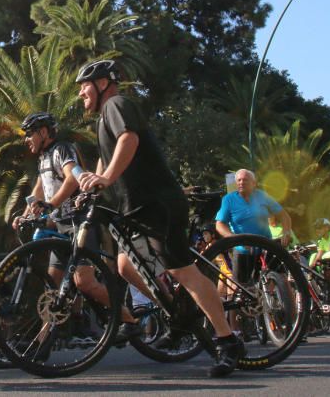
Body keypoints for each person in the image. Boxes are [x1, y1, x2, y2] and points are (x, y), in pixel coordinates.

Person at [74, 59, 244, 378]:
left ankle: (227, 340)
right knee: (126, 266)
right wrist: (90, 185)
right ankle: (178, 312)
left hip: (158, 204)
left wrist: (106, 178)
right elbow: (105, 158)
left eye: (85, 85)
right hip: (136, 208)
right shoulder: (103, 119)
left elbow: (129, 140)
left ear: (102, 84)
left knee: (182, 270)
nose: (81, 92)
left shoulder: (117, 104)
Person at [13, 111, 143, 342]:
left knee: (84, 282)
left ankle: (129, 320)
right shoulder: (43, 158)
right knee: (52, 289)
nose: (26, 139)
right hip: (60, 227)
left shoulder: (61, 149)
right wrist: (25, 215)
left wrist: (51, 205)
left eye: (30, 134)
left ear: (44, 132)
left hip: (78, 223)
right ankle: (41, 342)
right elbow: (39, 191)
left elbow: (72, 177)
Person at [215, 169, 293, 285]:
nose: (241, 182)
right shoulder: (228, 200)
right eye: (239, 180)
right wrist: (233, 237)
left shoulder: (262, 196)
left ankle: (284, 302)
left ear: (254, 183)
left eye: (245, 180)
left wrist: (286, 232)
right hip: (243, 250)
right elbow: (219, 224)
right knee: (243, 288)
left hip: (266, 246)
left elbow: (284, 216)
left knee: (280, 280)